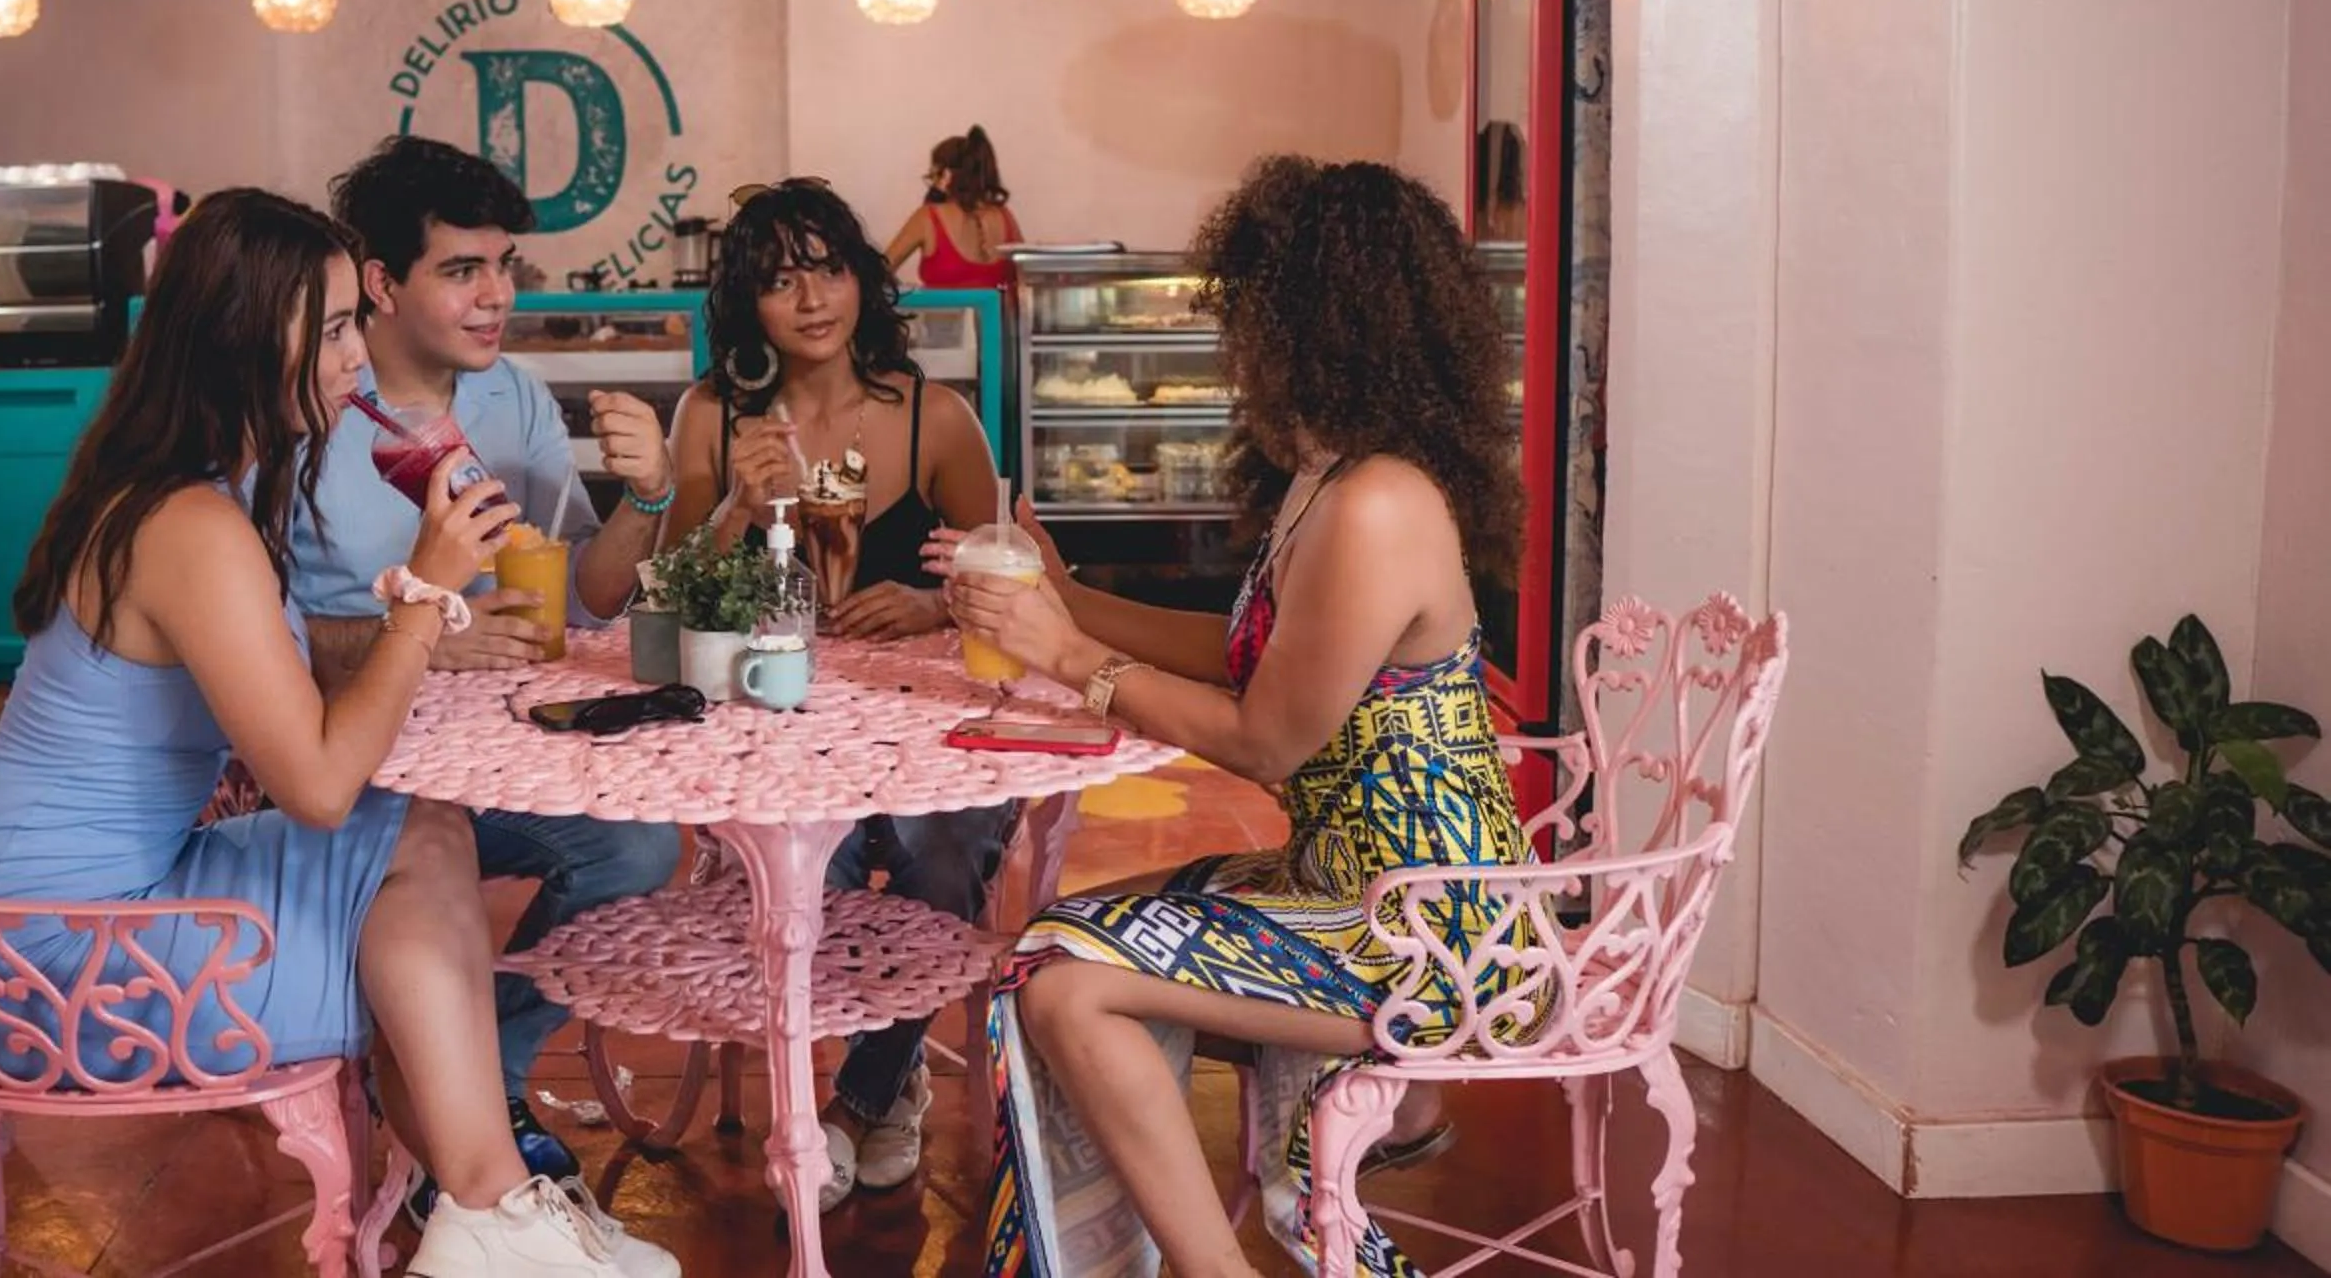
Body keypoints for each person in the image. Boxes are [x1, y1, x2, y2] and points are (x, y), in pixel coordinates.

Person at [0, 190, 675, 1278]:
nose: (355, 356)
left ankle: (484, 1204)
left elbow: (297, 712)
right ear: (243, 335)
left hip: (43, 906)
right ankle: (486, 1209)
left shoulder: (179, 492)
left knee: (421, 827)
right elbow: (319, 787)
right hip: (52, 961)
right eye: (330, 330)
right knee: (402, 874)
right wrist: (426, 594)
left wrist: (414, 610)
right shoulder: (192, 525)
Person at [944, 157, 1531, 1278]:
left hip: (1429, 929)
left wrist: (1068, 655)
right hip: (1349, 886)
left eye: (1248, 310)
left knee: (1063, 981)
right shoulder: (1335, 477)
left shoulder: (1378, 503)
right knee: (1055, 937)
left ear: (1312, 320)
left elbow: (1266, 737)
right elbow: (1246, 653)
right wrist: (1066, 599)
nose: (1233, 342)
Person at [290, 137, 685, 1187]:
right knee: (444, 852)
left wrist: (650, 494)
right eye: (462, 270)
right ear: (381, 283)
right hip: (356, 765)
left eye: (505, 265)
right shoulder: (308, 411)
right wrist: (428, 633)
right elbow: (262, 638)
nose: (497, 295)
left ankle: (477, 1080)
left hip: (501, 755)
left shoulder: (514, 397)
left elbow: (588, 591)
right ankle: (455, 1112)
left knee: (638, 849)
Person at [659, 177, 1007, 1209]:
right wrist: (734, 507)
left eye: (829, 268)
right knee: (820, 870)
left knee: (949, 851)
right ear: (746, 302)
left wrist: (934, 602)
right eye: (779, 280)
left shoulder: (933, 417)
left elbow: (1009, 568)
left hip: (925, 724)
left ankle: (855, 1101)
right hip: (775, 726)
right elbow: (666, 598)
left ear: (863, 278)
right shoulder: (715, 417)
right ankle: (877, 1082)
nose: (811, 298)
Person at [882, 125, 1020, 291]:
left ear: (945, 175)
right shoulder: (1005, 216)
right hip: (998, 309)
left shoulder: (928, 217)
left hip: (945, 309)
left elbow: (879, 272)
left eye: (932, 176)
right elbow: (1025, 277)